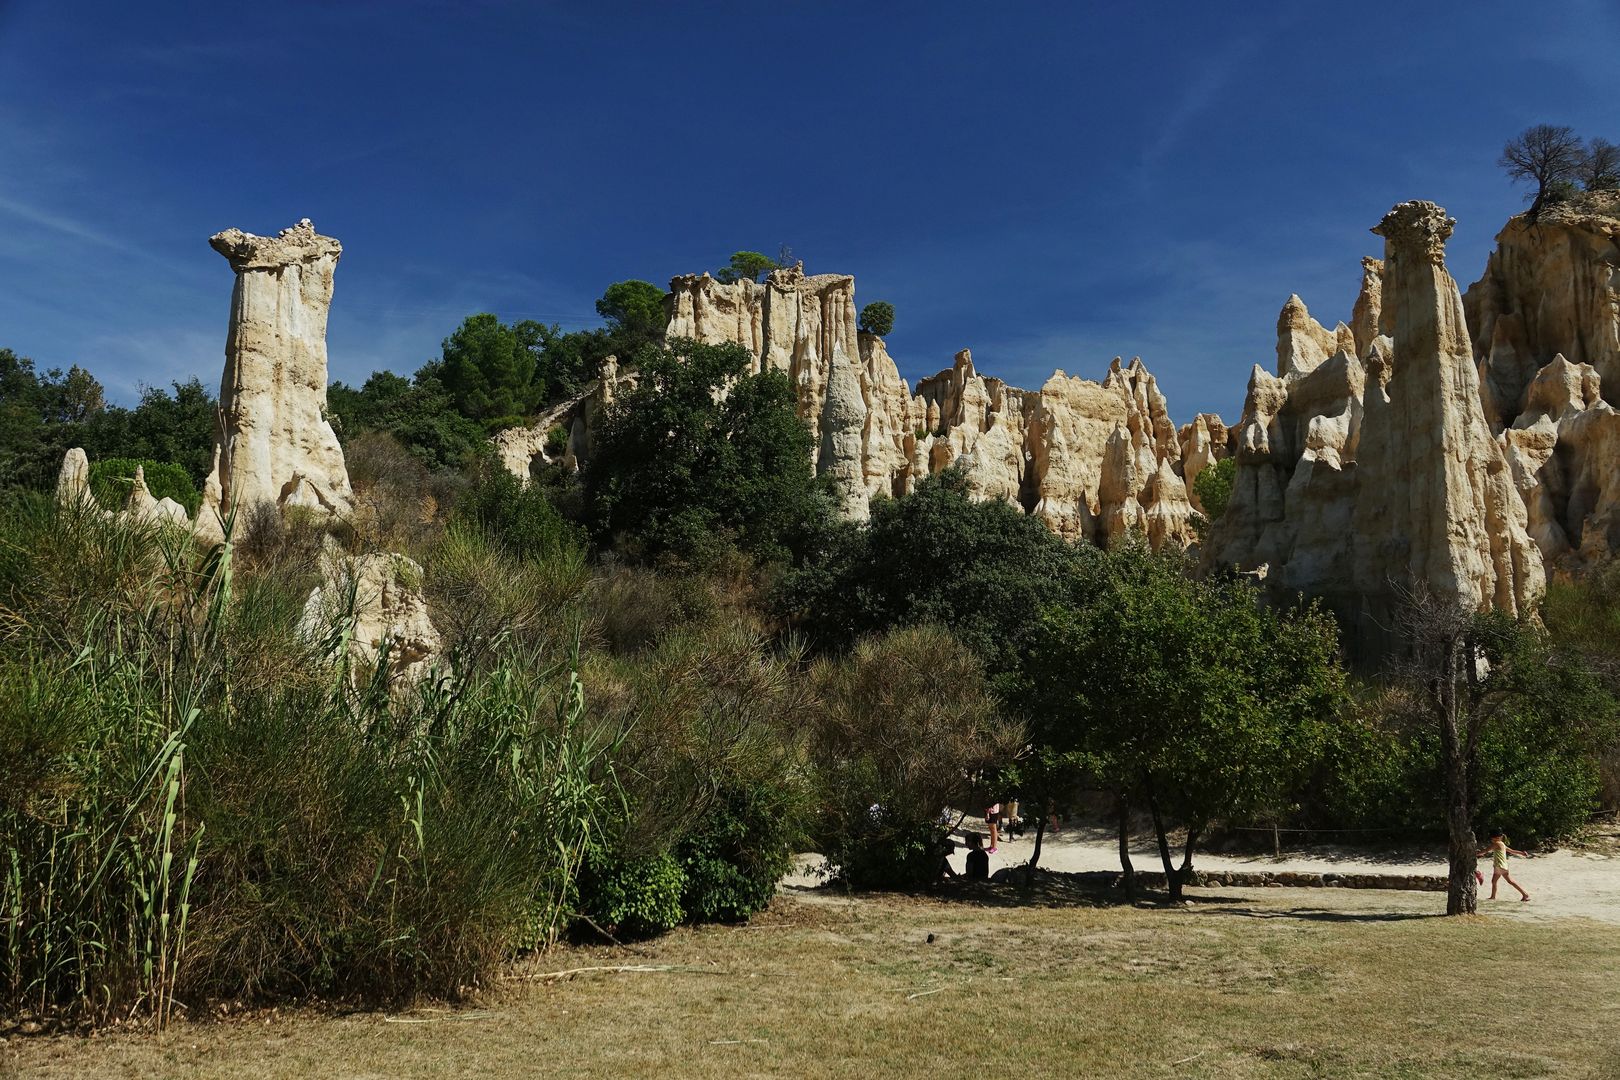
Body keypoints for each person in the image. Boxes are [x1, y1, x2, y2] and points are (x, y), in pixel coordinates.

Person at [1476, 830, 1531, 901]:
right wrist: (1521, 853)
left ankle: (1524, 894)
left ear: (1499, 837)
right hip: (1503, 865)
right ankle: (1524, 894)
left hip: (1499, 865)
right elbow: (1512, 851)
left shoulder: (1497, 843)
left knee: (1502, 881)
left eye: (1493, 838)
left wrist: (1476, 854)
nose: (1492, 840)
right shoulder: (1502, 844)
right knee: (1499, 881)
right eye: (1492, 839)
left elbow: (1486, 850)